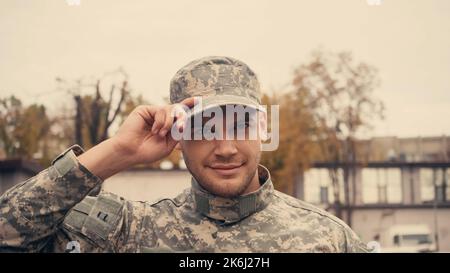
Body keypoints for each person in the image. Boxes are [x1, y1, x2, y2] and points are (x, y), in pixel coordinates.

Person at [0, 56, 368, 253]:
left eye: (240, 125)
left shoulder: (328, 239)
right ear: (179, 135)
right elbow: (8, 235)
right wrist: (117, 151)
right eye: (205, 127)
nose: (225, 148)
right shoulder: (126, 231)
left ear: (261, 132)